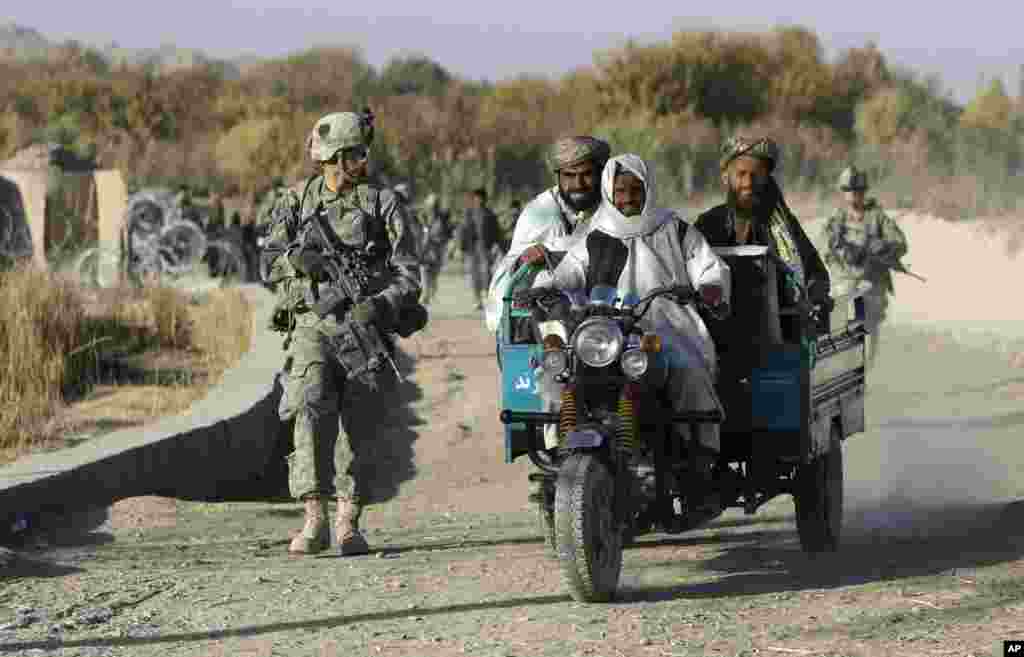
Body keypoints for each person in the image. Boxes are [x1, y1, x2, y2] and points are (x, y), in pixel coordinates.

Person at [259, 111, 423, 556]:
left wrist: (383, 303)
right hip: (312, 323)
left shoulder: (382, 203)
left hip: (363, 328)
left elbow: (410, 273)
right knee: (308, 406)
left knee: (361, 423)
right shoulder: (297, 202)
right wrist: (296, 264)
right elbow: (267, 261)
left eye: (364, 153)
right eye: (355, 154)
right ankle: (313, 517)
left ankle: (348, 520)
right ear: (334, 157)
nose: (363, 162)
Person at [546, 153, 731, 511]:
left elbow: (708, 266)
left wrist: (708, 286)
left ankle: (698, 457)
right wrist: (550, 286)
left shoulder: (674, 229)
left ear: (648, 189)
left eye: (635, 189)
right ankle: (559, 451)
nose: (628, 196)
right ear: (609, 192)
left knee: (689, 373)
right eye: (620, 190)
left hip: (666, 322)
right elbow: (571, 270)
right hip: (604, 326)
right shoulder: (596, 234)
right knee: (558, 372)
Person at [484, 135, 611, 333]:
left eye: (587, 174)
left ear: (601, 173)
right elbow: (511, 270)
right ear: (558, 176)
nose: (578, 184)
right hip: (550, 313)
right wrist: (526, 260)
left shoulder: (612, 208)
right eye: (569, 176)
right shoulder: (540, 213)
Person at [695, 135, 832, 315]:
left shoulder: (783, 226)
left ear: (766, 178)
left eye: (756, 175)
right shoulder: (708, 224)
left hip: (780, 331)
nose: (748, 183)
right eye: (741, 174)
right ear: (726, 177)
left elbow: (816, 275)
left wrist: (812, 297)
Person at [821, 165, 909, 366]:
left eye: (857, 191)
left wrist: (882, 246)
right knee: (840, 321)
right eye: (849, 190)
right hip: (845, 281)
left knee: (870, 322)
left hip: (872, 281)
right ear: (843, 193)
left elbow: (900, 243)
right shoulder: (837, 218)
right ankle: (847, 362)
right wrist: (842, 252)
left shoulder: (877, 217)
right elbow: (824, 246)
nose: (853, 195)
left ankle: (869, 362)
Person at [459, 187, 500, 310]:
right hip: (472, 249)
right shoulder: (468, 213)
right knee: (474, 275)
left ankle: (486, 297)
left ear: (485, 199)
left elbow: (496, 232)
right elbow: (463, 230)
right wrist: (462, 247)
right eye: (477, 197)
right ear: (474, 199)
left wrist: (497, 246)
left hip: (485, 248)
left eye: (481, 197)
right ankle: (477, 300)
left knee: (486, 273)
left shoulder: (490, 214)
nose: (479, 200)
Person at [418, 192, 453, 305]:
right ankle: (426, 294)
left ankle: (431, 293)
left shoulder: (442, 218)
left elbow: (447, 234)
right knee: (424, 270)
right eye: (431, 205)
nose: (432, 207)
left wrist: (448, 246)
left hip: (437, 248)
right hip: (425, 248)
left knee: (434, 273)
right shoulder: (423, 216)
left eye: (435, 205)